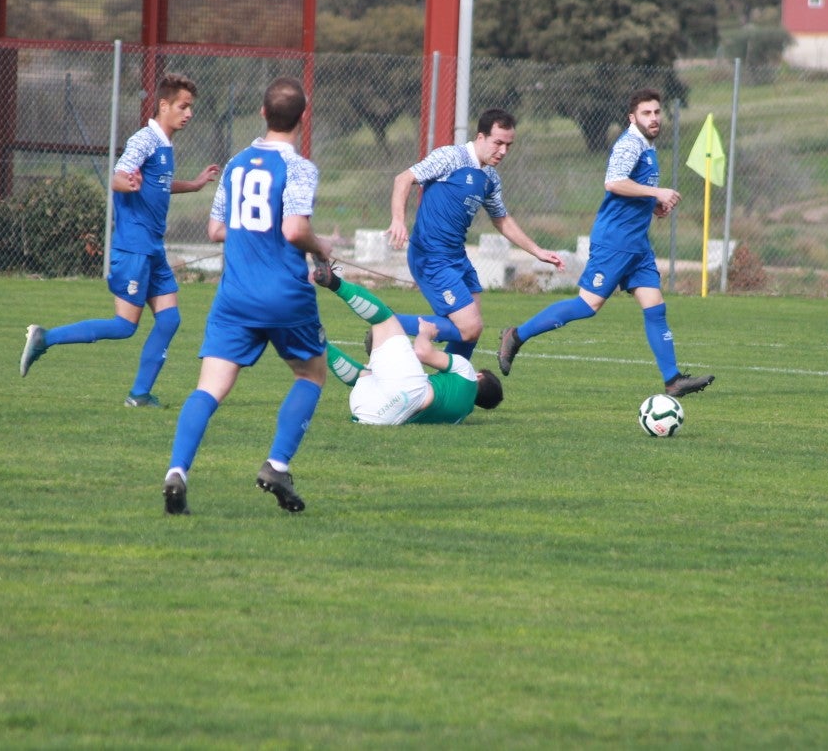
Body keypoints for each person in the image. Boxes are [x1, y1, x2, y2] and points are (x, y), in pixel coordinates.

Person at [162, 76, 331, 516]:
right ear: (302, 117)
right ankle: (277, 464)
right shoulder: (299, 168)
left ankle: (177, 471)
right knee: (311, 375)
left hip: (234, 296)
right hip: (284, 295)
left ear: (262, 112)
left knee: (209, 388)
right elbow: (294, 229)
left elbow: (217, 229)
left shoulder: (236, 163)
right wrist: (322, 247)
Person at [497, 88, 714, 398]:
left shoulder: (647, 148)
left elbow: (630, 190)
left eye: (656, 112)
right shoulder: (629, 144)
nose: (654, 118)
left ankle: (673, 380)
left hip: (636, 244)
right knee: (587, 305)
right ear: (632, 117)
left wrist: (653, 206)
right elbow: (613, 182)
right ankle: (516, 335)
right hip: (614, 241)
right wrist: (656, 194)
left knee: (655, 308)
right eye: (646, 113)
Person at [19, 72, 219, 407]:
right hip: (133, 247)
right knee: (125, 325)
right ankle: (45, 338)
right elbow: (118, 178)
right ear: (164, 105)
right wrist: (128, 184)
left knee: (170, 319)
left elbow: (158, 184)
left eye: (191, 107)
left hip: (152, 246)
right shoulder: (144, 139)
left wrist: (194, 185)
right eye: (183, 107)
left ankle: (140, 395)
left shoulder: (166, 144)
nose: (189, 113)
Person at [385, 109, 565, 360]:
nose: (503, 151)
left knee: (472, 330)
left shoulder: (490, 177)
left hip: (457, 258)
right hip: (430, 256)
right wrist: (398, 220)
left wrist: (538, 251)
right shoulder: (451, 157)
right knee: (469, 328)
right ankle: (386, 325)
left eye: (508, 145)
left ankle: (453, 387)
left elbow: (501, 219)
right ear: (481, 137)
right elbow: (403, 179)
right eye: (498, 143)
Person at [313, 262, 503, 424]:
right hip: (374, 414)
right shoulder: (460, 416)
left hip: (410, 392)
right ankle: (317, 340)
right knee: (366, 375)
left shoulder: (467, 371)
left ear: (479, 376)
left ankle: (334, 282)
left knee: (384, 318)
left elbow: (422, 352)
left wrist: (425, 334)